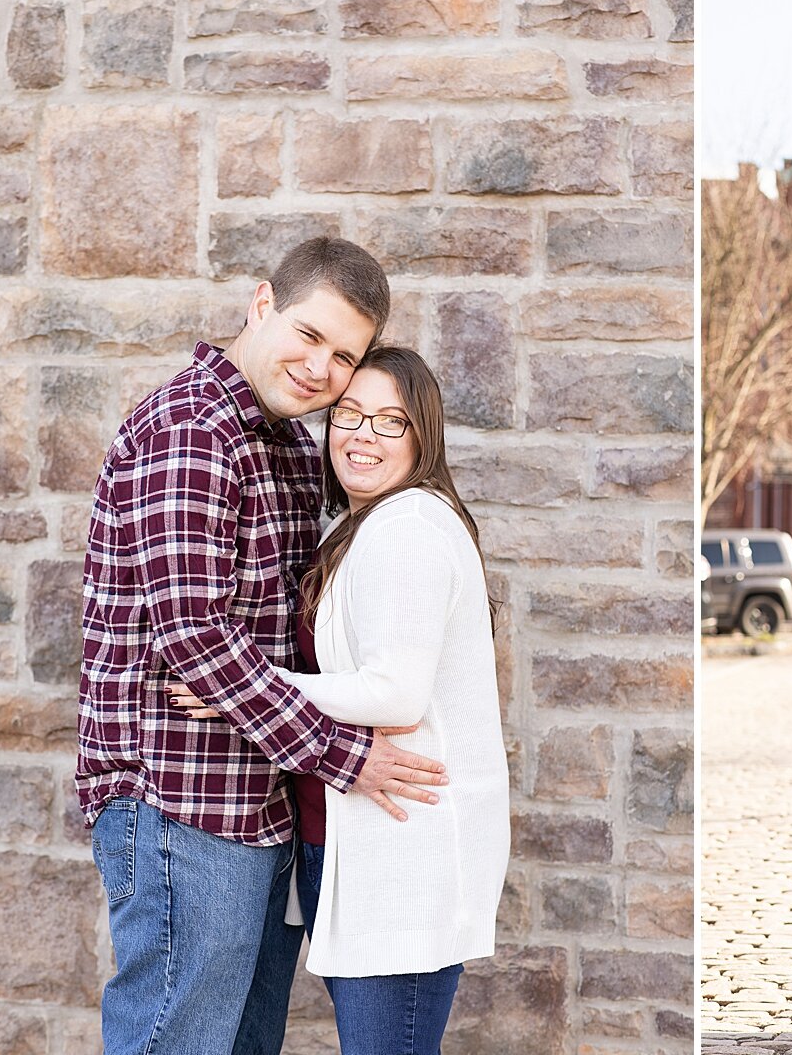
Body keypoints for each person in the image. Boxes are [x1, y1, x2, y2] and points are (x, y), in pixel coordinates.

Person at [78, 238, 451, 1055]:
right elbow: (198, 639)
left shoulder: (283, 441)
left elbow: (275, 633)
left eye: (344, 355)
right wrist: (342, 754)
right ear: (261, 304)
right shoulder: (191, 430)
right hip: (180, 802)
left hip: (257, 807)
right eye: (309, 335)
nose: (321, 368)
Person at [172, 347, 510, 1054]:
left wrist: (247, 691)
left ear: (424, 437)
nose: (362, 435)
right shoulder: (362, 526)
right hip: (346, 840)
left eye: (390, 422)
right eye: (349, 416)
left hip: (400, 852)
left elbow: (397, 695)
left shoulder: (408, 527)